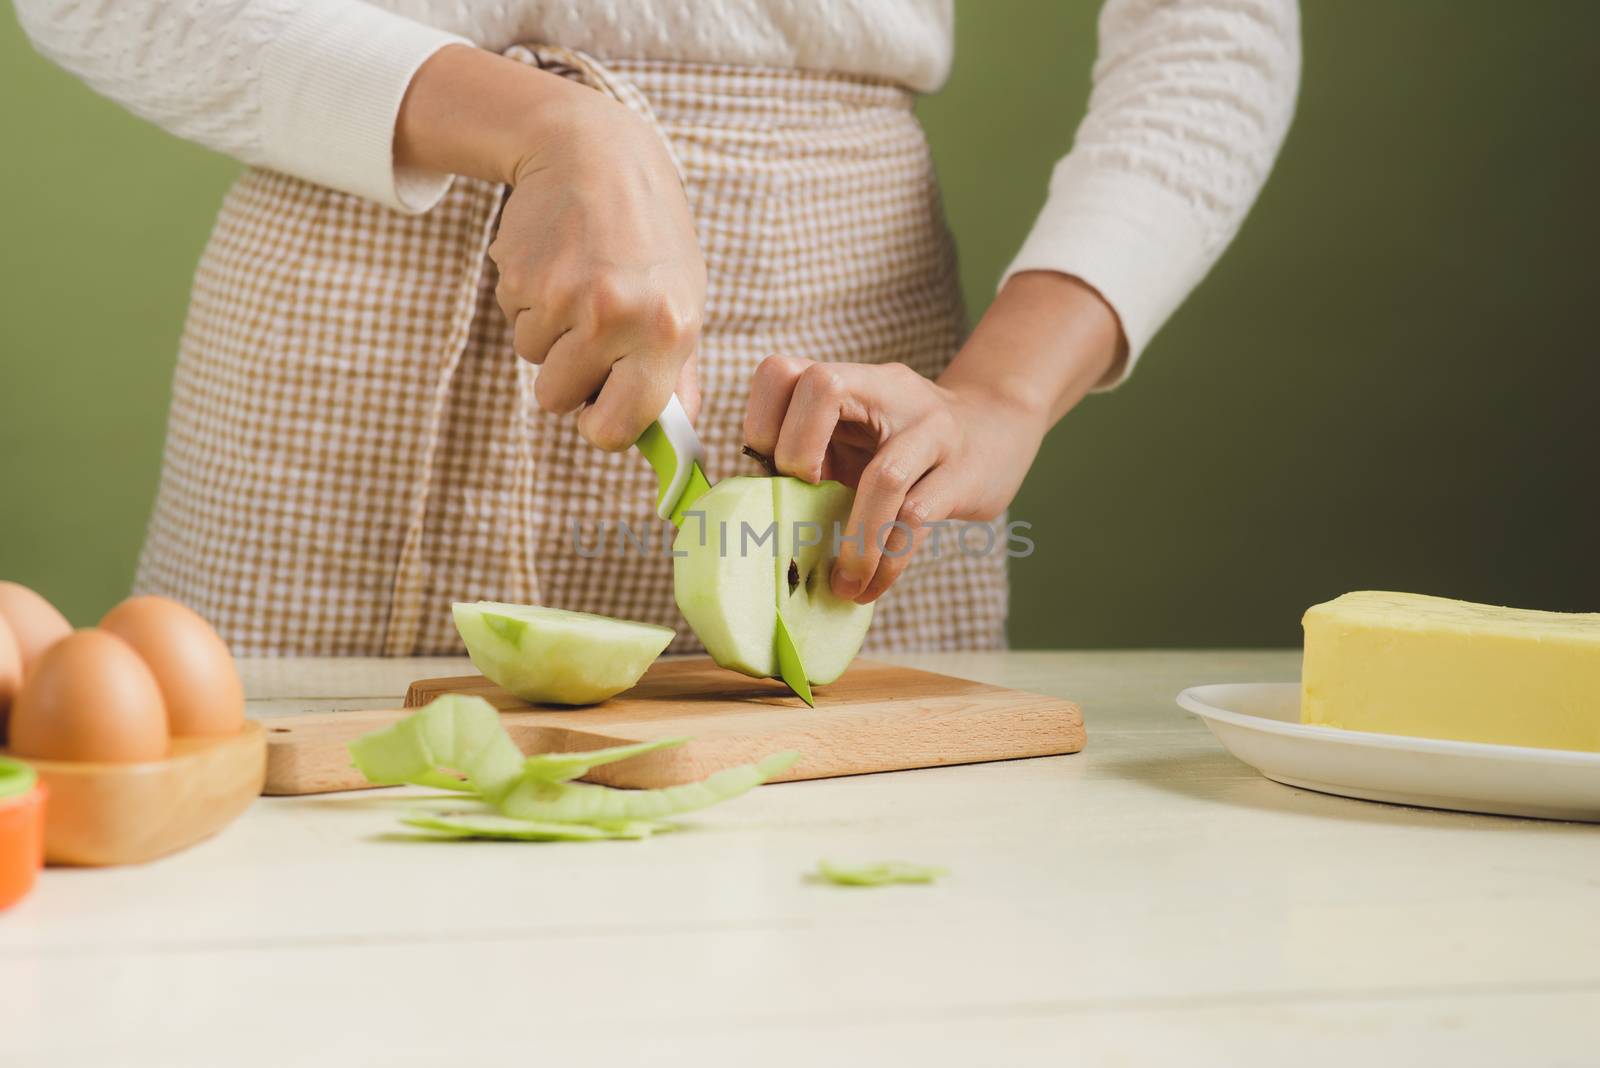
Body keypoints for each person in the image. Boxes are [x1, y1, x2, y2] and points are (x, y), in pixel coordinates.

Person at [15, 1, 1300, 656]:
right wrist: (541, 126)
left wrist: (1010, 392)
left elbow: (1215, 26)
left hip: (832, 394)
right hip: (337, 363)